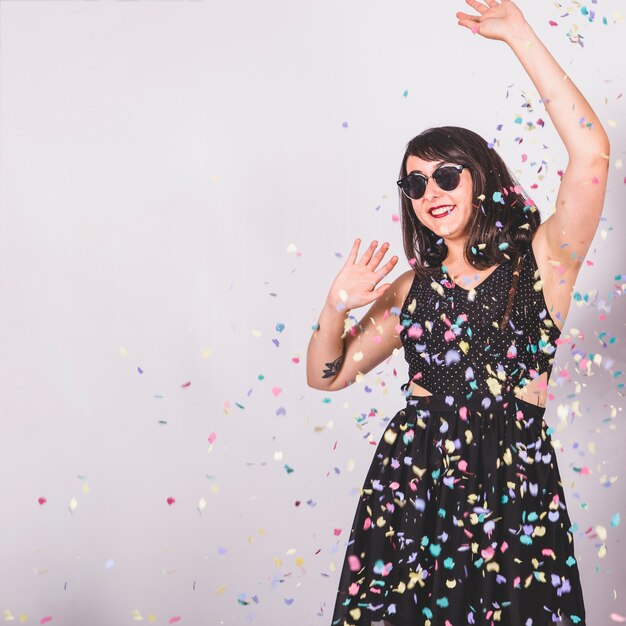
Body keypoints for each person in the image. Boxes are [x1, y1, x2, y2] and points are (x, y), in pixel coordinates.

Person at [306, 1, 610, 625]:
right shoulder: (409, 289)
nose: (431, 194)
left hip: (512, 490)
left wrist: (520, 36)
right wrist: (336, 305)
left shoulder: (542, 261)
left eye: (445, 176)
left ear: (480, 178)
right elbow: (327, 374)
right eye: (414, 184)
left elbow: (592, 158)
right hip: (412, 491)